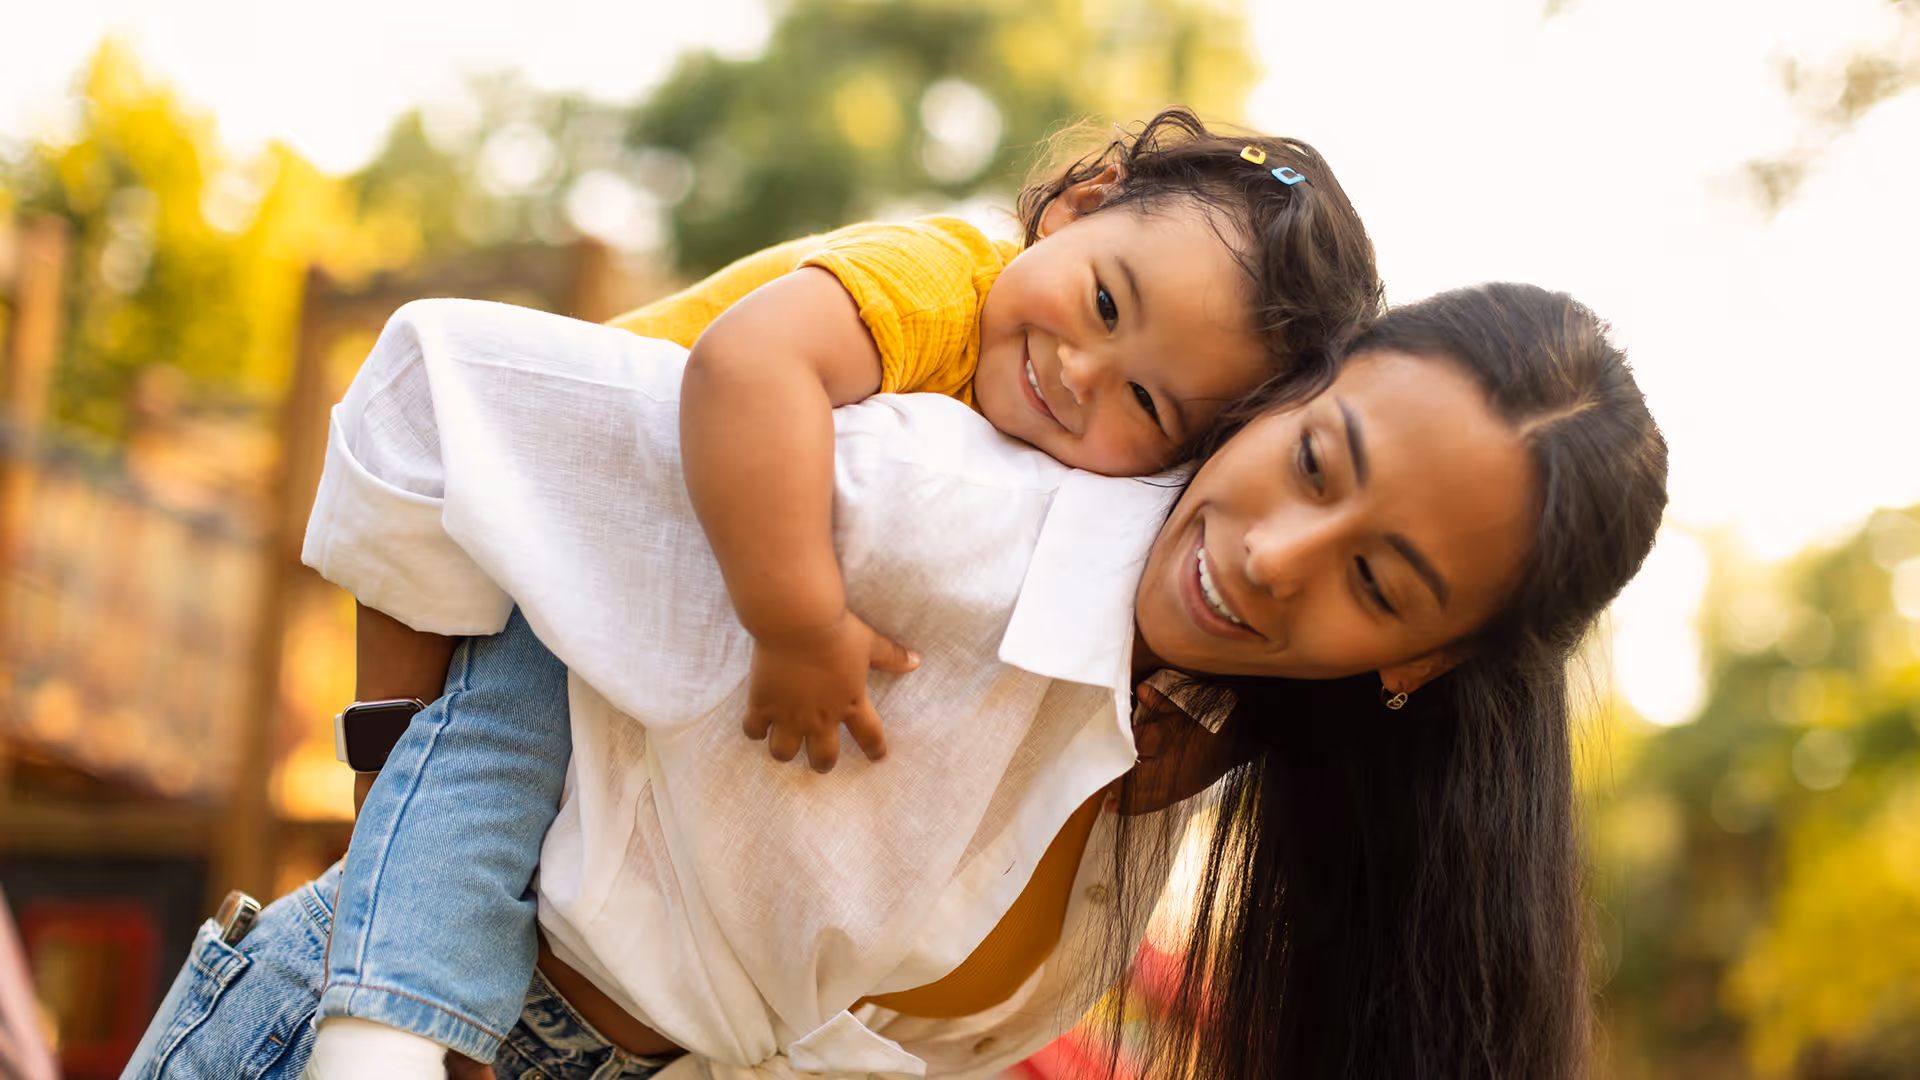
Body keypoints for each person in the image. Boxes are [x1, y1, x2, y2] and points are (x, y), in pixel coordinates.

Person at [122, 280, 1665, 1080]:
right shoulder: (944, 508)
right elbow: (428, 395)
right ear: (1287, 394)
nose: (1277, 554)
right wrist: (411, 840)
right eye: (1315, 458)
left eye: (1377, 579)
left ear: (1423, 665)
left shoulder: (1212, 763)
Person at [316, 105, 1378, 1075]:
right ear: (1075, 208)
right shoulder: (938, 279)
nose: (1081, 369)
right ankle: (381, 1030)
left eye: (1147, 400)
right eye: (1105, 300)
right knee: (481, 783)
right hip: (566, 544)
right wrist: (798, 616)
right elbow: (746, 370)